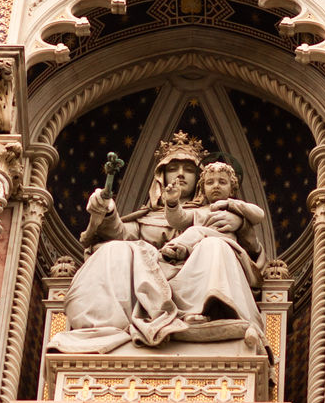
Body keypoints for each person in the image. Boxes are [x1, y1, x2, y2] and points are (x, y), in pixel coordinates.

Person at [50, 134, 267, 353]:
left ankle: (203, 316)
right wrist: (107, 212)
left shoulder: (213, 212)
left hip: (194, 277)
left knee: (215, 245)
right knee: (113, 249)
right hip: (148, 275)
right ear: (161, 176)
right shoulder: (147, 216)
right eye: (173, 168)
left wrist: (241, 225)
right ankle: (104, 327)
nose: (181, 174)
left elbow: (251, 252)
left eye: (189, 170)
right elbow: (121, 234)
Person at [159, 161, 266, 344]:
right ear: (202, 189)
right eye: (210, 182)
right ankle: (197, 312)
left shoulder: (234, 208)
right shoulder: (199, 212)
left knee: (205, 239)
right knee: (200, 238)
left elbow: (258, 214)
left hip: (229, 251)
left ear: (232, 188)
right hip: (199, 253)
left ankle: (178, 248)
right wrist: (171, 202)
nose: (216, 186)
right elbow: (179, 219)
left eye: (222, 182)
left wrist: (232, 205)